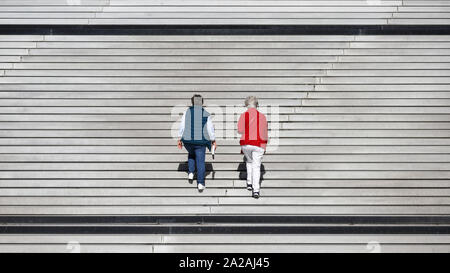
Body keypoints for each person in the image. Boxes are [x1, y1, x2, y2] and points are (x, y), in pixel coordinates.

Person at [178, 94, 216, 192]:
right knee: (200, 162)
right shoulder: (206, 113)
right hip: (200, 142)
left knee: (191, 153)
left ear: (192, 102)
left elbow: (182, 126)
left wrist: (180, 137)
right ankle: (200, 183)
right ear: (202, 103)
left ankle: (191, 172)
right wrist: (213, 139)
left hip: (187, 140)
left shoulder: (187, 112)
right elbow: (210, 129)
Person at [237, 96, 268, 199]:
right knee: (256, 166)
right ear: (256, 105)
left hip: (246, 143)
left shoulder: (244, 115)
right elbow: (264, 132)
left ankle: (249, 183)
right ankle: (256, 190)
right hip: (259, 143)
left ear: (247, 105)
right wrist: (265, 145)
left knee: (249, 161)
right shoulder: (262, 116)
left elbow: (240, 130)